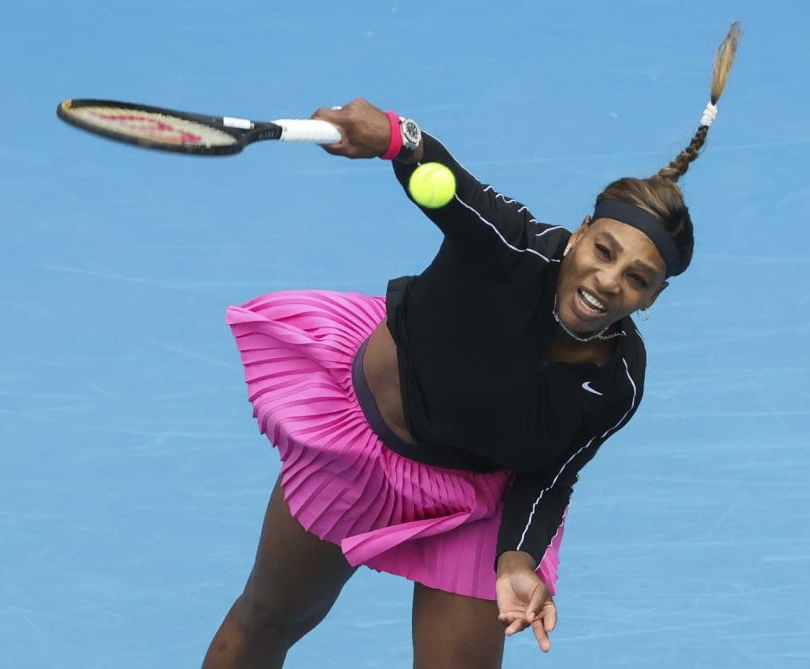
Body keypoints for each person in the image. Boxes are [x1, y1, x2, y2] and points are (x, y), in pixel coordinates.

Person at [202, 23, 741, 669]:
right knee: (269, 617)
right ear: (580, 234)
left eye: (638, 279)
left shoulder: (616, 384)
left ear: (652, 299)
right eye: (604, 251)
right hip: (363, 446)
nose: (608, 281)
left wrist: (517, 555)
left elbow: (551, 474)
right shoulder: (509, 245)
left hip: (472, 499)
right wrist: (395, 137)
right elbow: (453, 187)